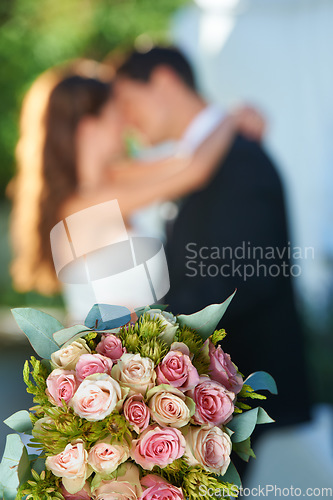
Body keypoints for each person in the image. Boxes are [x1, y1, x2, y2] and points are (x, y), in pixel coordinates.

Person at [115, 47, 311, 438]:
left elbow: (248, 274)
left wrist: (151, 321)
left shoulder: (239, 159)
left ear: (164, 80)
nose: (125, 120)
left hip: (244, 393)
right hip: (205, 399)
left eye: (127, 102)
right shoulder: (194, 161)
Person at [10, 59, 263, 302]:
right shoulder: (82, 206)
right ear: (90, 127)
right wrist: (229, 119)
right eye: (118, 112)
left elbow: (186, 159)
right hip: (107, 344)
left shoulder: (115, 179)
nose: (128, 122)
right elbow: (195, 171)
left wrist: (225, 129)